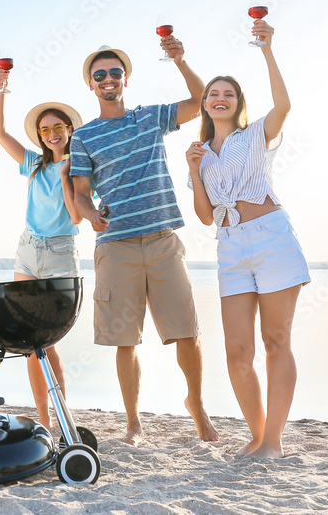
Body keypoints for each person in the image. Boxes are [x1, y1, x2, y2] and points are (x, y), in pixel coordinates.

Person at [69, 37, 218, 446]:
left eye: (115, 72)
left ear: (126, 78)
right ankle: (133, 422)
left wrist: (180, 60)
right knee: (124, 339)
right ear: (91, 84)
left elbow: (202, 99)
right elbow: (81, 192)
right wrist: (91, 213)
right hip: (115, 245)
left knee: (186, 331)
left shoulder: (150, 117)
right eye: (99, 75)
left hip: (162, 239)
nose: (108, 79)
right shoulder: (83, 137)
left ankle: (197, 406)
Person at [185, 20, 310, 458]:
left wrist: (267, 50)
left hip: (271, 239)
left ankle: (273, 441)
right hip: (229, 246)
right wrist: (194, 170)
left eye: (228, 94)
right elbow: (204, 217)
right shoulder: (198, 154)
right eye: (213, 93)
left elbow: (284, 106)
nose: (220, 98)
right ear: (203, 104)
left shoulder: (254, 134)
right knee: (238, 351)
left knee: (276, 341)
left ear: (237, 103)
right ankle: (256, 436)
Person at [0, 68, 83, 428]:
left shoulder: (79, 166)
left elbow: (76, 217)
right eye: (44, 130)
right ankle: (46, 420)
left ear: (69, 130)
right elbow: (0, 134)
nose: (51, 135)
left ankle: (62, 415)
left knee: (47, 340)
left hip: (62, 252)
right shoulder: (32, 164)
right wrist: (1, 91)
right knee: (32, 342)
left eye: (57, 128)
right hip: (28, 251)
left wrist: (64, 177)